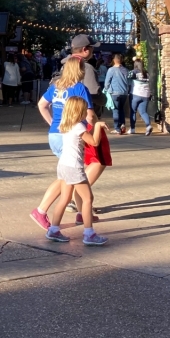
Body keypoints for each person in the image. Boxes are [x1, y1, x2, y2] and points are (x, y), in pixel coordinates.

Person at [30, 56, 98, 228]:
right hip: (70, 134)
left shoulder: (56, 86)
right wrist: (94, 128)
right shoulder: (80, 88)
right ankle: (41, 210)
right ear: (80, 70)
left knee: (70, 174)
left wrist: (52, 122)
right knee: (69, 175)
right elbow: (89, 115)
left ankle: (82, 213)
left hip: (55, 133)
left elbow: (41, 105)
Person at [44, 96, 109, 246]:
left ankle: (53, 229)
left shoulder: (64, 124)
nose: (87, 114)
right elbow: (94, 142)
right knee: (87, 199)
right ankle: (89, 233)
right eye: (84, 110)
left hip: (63, 165)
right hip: (74, 167)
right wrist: (97, 126)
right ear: (78, 111)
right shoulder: (78, 126)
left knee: (65, 199)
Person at [104, 54, 131, 134]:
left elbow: (107, 82)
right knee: (121, 109)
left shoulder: (111, 70)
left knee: (115, 110)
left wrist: (106, 89)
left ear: (114, 60)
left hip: (115, 93)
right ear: (121, 60)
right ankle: (122, 124)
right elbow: (129, 82)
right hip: (124, 93)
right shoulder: (126, 70)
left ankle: (117, 128)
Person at [130, 58, 153, 135]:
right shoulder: (146, 73)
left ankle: (132, 129)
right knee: (143, 112)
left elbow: (127, 77)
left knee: (133, 111)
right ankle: (148, 125)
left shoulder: (134, 72)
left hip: (135, 94)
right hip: (145, 95)